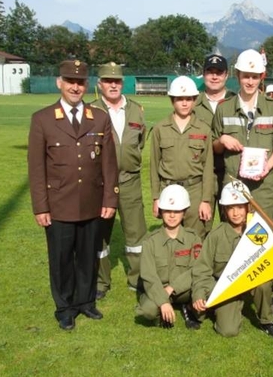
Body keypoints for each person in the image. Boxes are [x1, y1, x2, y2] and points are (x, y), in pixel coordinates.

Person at [28, 59, 119, 330]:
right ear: (60, 82)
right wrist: (40, 207)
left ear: (87, 84)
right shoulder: (42, 119)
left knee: (88, 256)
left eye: (80, 82)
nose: (75, 87)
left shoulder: (99, 117)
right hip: (58, 205)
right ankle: (65, 308)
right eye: (70, 81)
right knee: (62, 259)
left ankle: (86, 302)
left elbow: (109, 164)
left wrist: (109, 200)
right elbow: (36, 168)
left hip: (92, 203)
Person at [211, 49, 273, 313]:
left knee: (266, 237)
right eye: (246, 76)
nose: (250, 81)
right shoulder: (223, 109)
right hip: (233, 186)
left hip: (263, 187)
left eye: (255, 77)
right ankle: (239, 287)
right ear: (237, 76)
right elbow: (213, 144)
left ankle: (272, 290)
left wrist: (269, 165)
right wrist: (222, 140)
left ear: (262, 77)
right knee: (234, 237)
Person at [191, 181, 273, 340]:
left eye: (240, 207)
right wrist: (199, 294)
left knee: (263, 283)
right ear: (224, 210)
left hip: (250, 281)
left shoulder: (257, 230)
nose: (236, 213)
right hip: (227, 287)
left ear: (248, 207)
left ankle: (267, 322)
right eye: (230, 208)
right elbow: (202, 269)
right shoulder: (216, 235)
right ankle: (218, 308)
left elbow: (269, 260)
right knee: (228, 331)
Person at [90, 61, 147, 299]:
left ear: (122, 83)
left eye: (116, 81)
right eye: (107, 81)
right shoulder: (90, 110)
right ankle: (101, 281)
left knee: (136, 234)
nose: (112, 85)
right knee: (99, 233)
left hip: (130, 179)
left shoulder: (136, 109)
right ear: (99, 83)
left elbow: (140, 142)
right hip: (100, 183)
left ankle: (137, 279)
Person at [150, 76, 214, 239]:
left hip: (195, 190)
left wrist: (205, 200)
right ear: (172, 100)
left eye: (188, 99)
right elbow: (154, 166)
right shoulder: (160, 129)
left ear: (194, 100)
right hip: (168, 188)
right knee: (171, 238)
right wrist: (156, 198)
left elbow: (208, 168)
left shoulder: (204, 129)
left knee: (196, 239)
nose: (184, 103)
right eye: (179, 99)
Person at [135, 185, 202, 329]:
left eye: (177, 211)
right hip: (160, 288)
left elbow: (195, 269)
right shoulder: (150, 242)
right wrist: (163, 301)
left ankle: (188, 307)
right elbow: (149, 276)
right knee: (148, 310)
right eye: (167, 211)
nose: (172, 216)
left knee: (205, 298)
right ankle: (164, 311)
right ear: (161, 212)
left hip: (184, 289)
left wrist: (173, 288)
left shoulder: (193, 239)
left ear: (184, 213)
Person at [193, 54, 236, 225]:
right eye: (210, 72)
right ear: (203, 74)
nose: (214, 76)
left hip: (231, 173)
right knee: (201, 227)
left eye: (219, 72)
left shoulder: (236, 101)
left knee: (233, 227)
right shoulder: (193, 103)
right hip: (203, 175)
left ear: (226, 75)